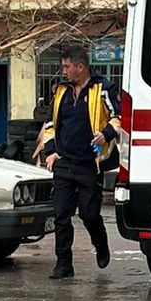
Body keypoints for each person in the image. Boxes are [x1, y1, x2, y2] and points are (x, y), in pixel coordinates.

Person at [37, 44, 121, 280]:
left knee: (89, 214)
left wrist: (105, 133)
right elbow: (51, 124)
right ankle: (64, 264)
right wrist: (51, 152)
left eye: (66, 67)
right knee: (61, 216)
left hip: (88, 164)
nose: (63, 71)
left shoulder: (103, 87)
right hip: (63, 162)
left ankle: (100, 242)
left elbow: (119, 117)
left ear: (80, 67)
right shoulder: (62, 92)